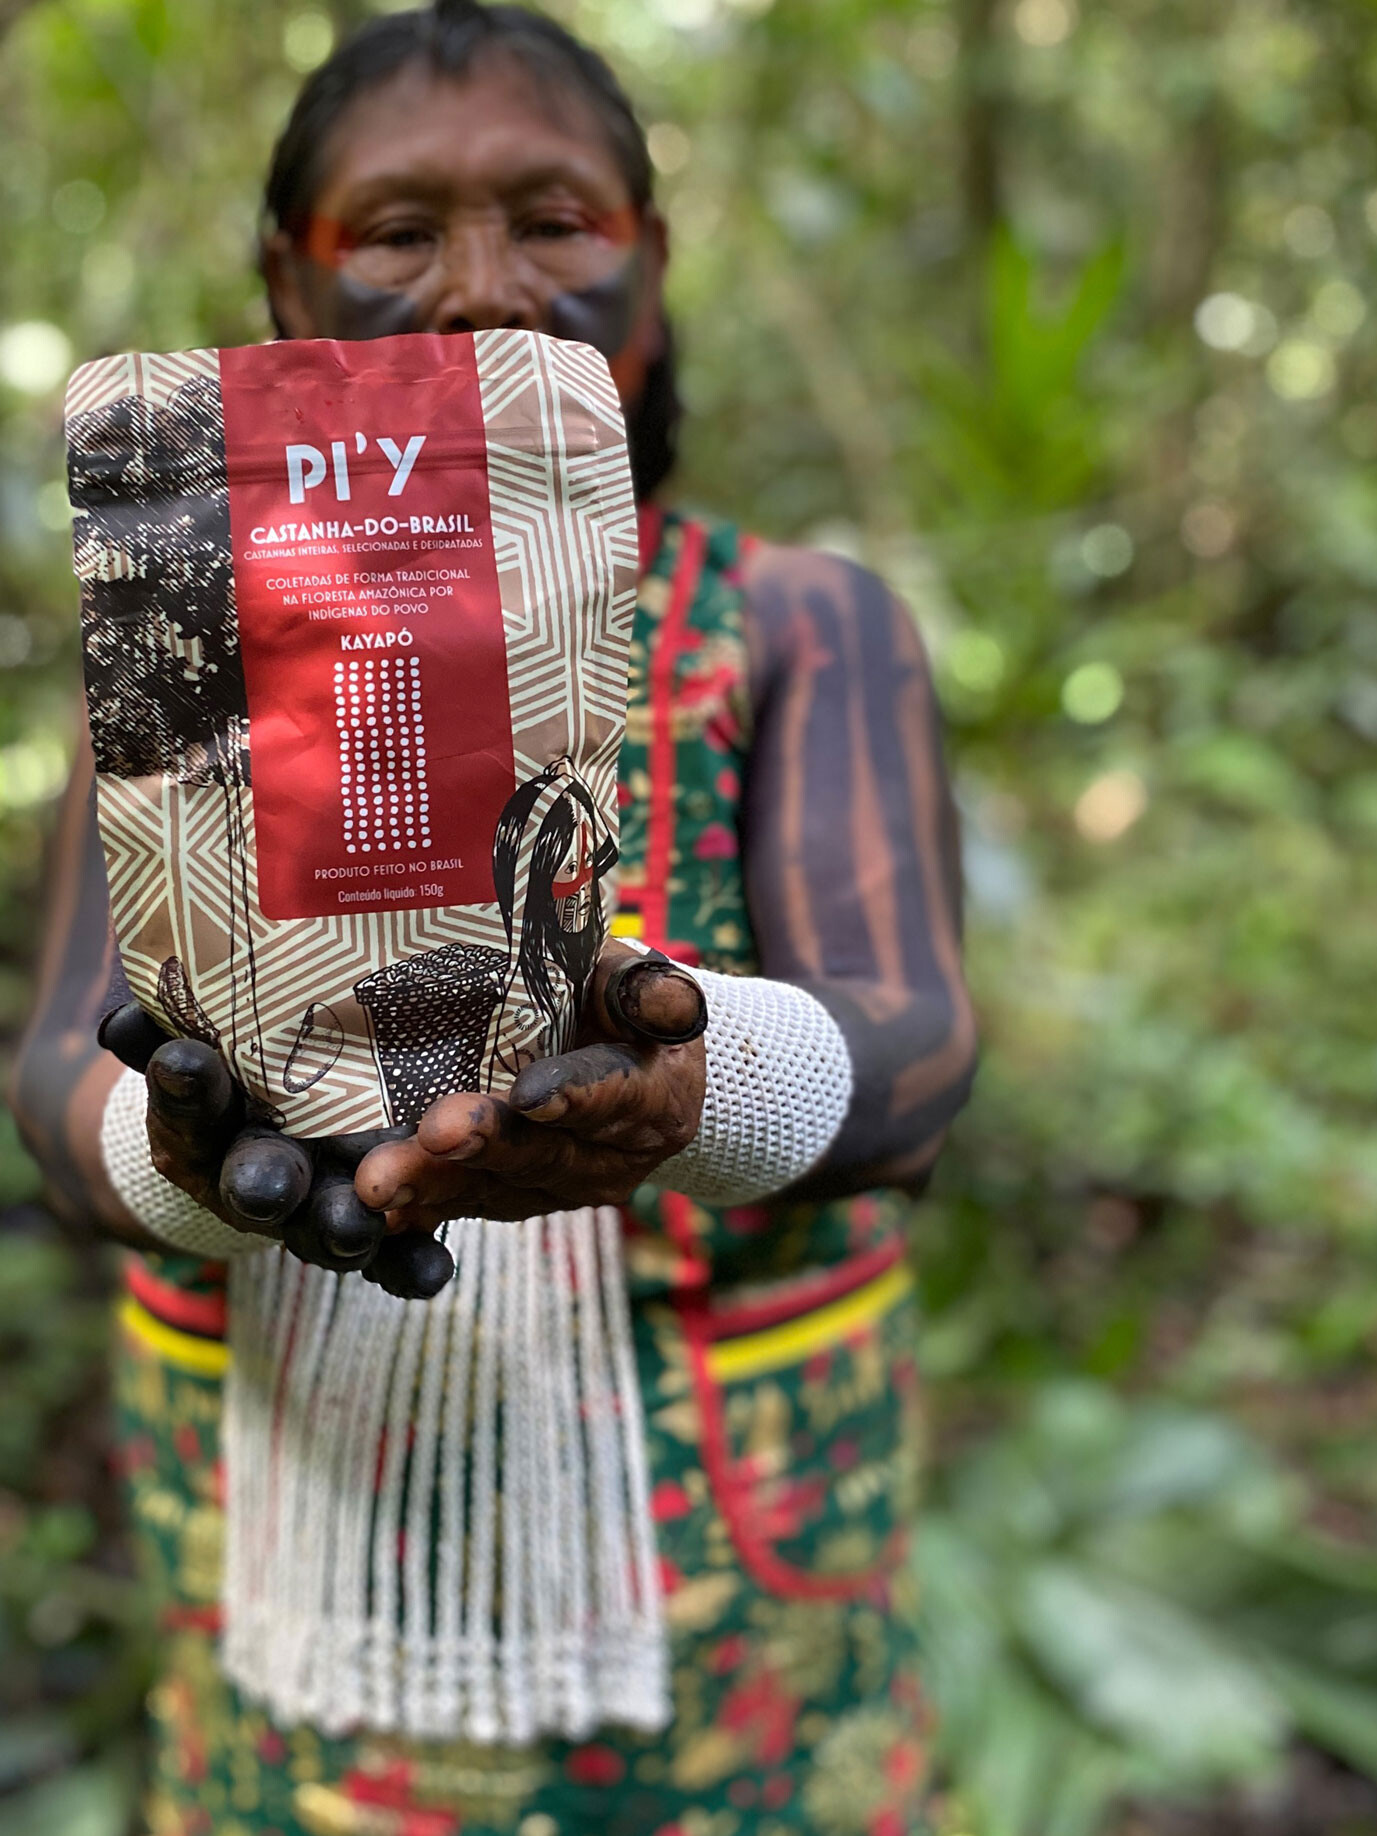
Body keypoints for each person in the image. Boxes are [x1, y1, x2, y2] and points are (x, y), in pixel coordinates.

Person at [12, 4, 977, 1832]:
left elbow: (914, 1048)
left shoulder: (795, 623)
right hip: (287, 1569)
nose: (482, 289)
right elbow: (64, 1064)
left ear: (650, 266)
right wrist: (176, 1159)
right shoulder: (173, 657)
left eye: (555, 221)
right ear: (286, 287)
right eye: (396, 232)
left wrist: (701, 1090)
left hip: (721, 1594)